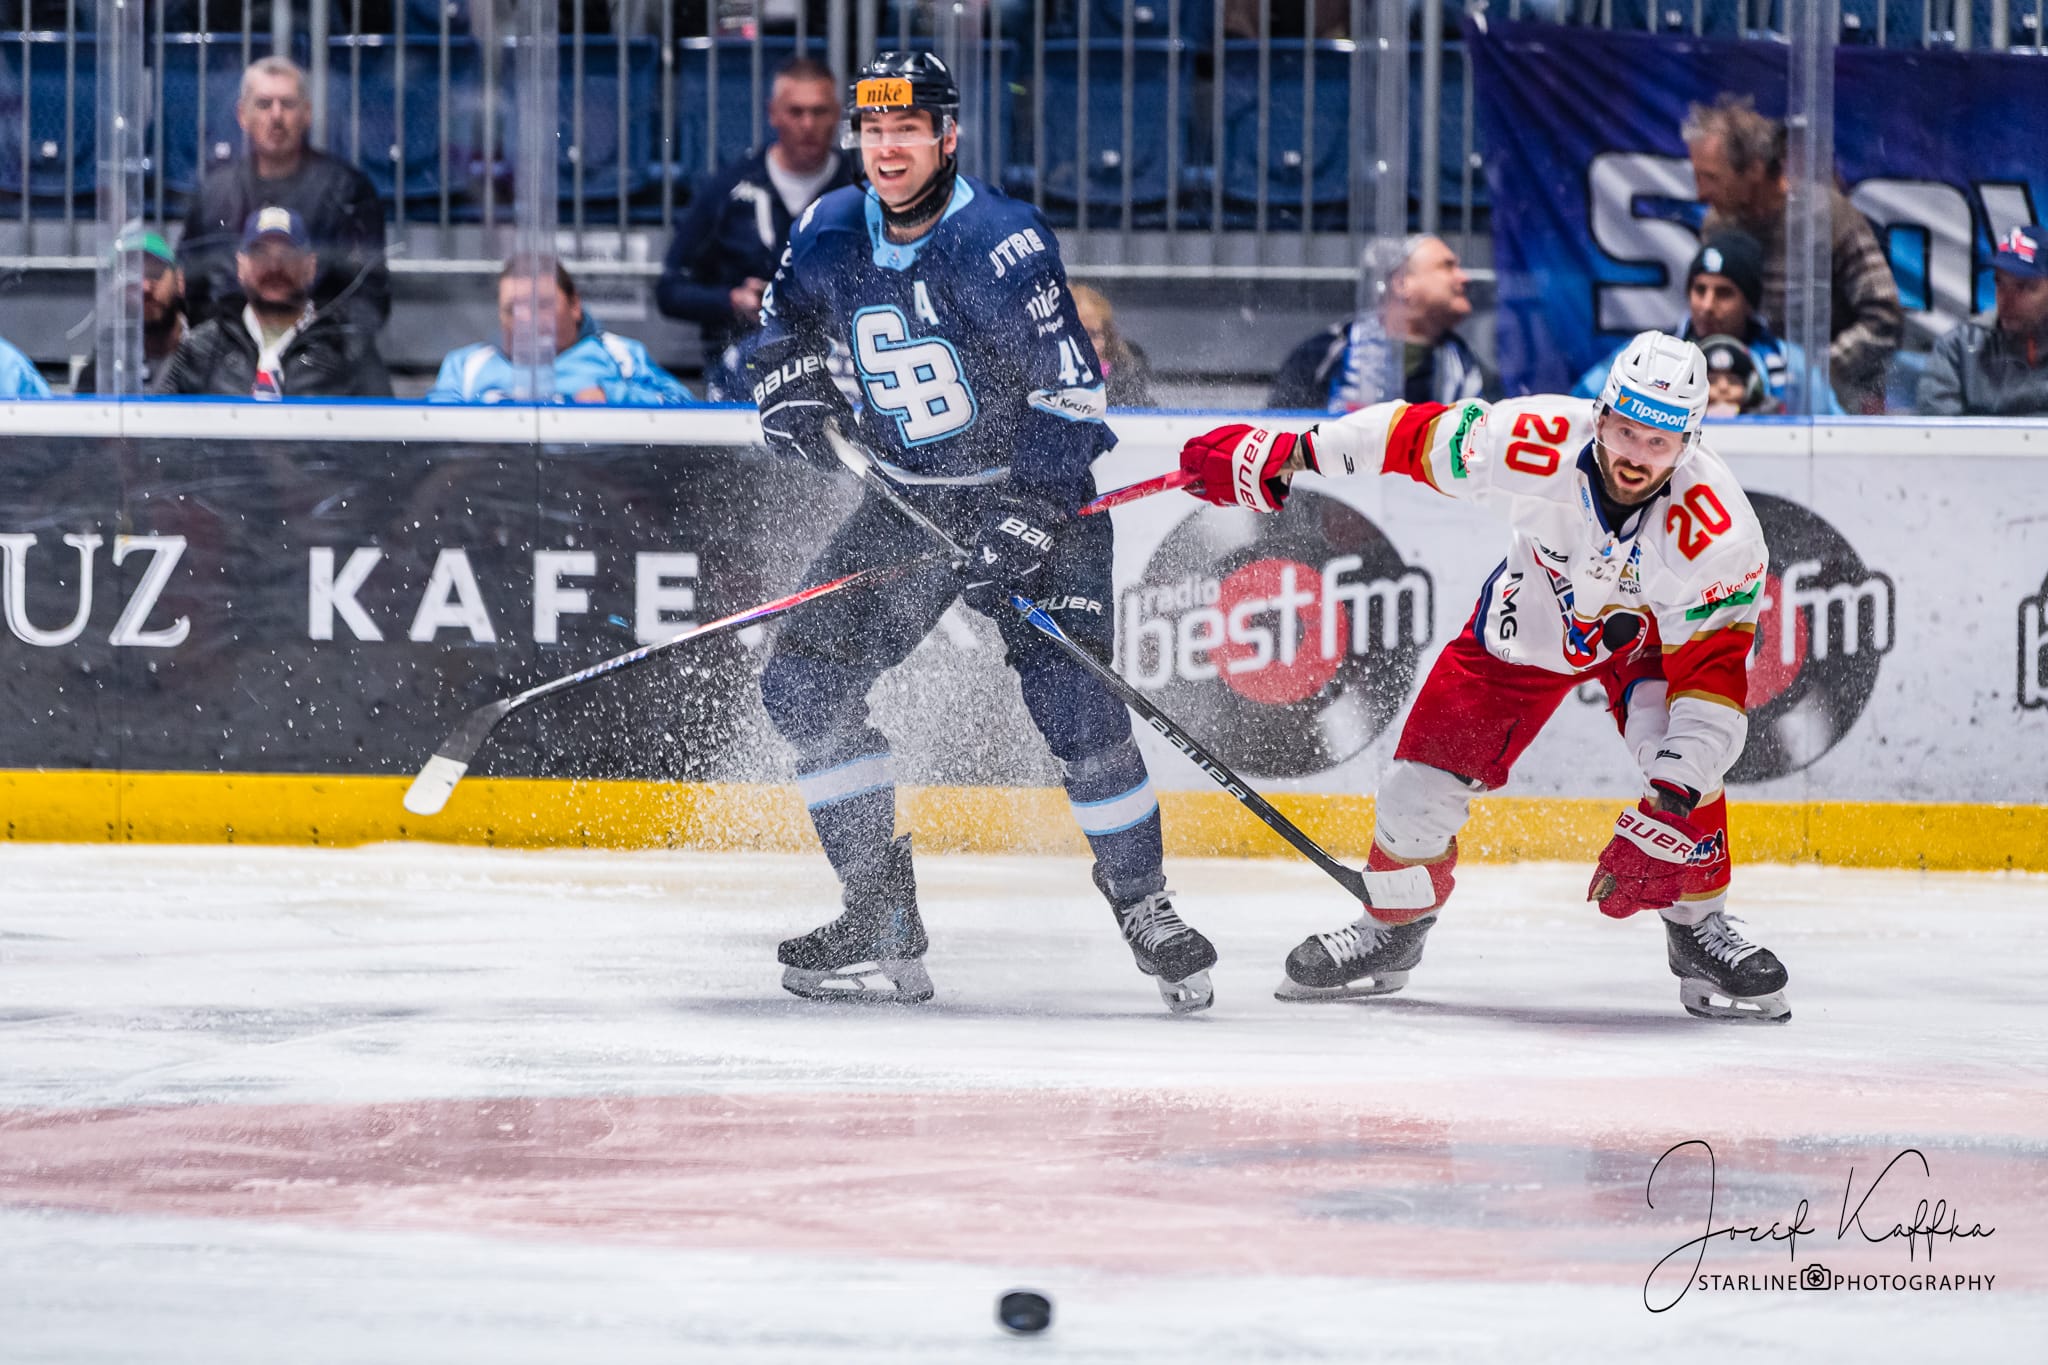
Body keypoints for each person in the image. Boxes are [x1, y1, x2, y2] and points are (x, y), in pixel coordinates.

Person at [745, 52, 1216, 1012]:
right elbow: (774, 328)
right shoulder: (828, 230)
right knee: (802, 685)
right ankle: (878, 910)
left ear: (947, 136)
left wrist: (1029, 514)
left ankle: (1145, 903)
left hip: (1039, 499)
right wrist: (784, 383)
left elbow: (1069, 392)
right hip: (909, 502)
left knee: (1079, 710)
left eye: (907, 130)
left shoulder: (1002, 241)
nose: (887, 148)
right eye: (873, 132)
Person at [1174, 330, 1791, 1024]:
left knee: (1679, 757)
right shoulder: (1531, 442)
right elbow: (1408, 435)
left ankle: (1699, 924)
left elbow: (1712, 690)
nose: (1636, 455)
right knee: (1414, 792)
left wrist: (1669, 809)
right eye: (1627, 430)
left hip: (1651, 643)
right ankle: (1394, 928)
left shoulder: (1720, 533)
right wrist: (1292, 452)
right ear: (1602, 415)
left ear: (1691, 442)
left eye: (1660, 442)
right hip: (1527, 627)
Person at [1683, 92, 1900, 413]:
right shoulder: (1718, 226)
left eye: (1711, 178)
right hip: (1737, 404)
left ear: (1754, 170)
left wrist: (1809, 375)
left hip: (1828, 409)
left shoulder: (1828, 217)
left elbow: (1884, 318)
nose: (1700, 193)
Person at [656, 57, 857, 397]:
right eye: (795, 112)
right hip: (742, 361)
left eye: (819, 111)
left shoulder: (860, 187)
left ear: (837, 113)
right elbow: (670, 290)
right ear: (772, 113)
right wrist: (732, 301)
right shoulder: (728, 189)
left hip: (845, 356)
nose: (808, 124)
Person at [177, 56, 390, 334]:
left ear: (307, 113)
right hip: (230, 362)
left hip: (319, 360)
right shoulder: (214, 193)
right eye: (264, 104)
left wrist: (314, 350)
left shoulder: (347, 191)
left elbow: (368, 298)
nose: (276, 116)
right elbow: (191, 288)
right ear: (243, 115)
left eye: (288, 104)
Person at [1570, 231, 1839, 415]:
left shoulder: (1789, 364)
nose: (1707, 306)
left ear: (1749, 302)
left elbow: (1837, 432)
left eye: (1724, 293)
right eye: (1700, 290)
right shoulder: (1648, 355)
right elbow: (1578, 408)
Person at [155, 208, 391, 399]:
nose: (275, 267)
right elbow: (160, 436)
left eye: (288, 255)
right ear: (241, 266)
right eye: (261, 254)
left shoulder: (348, 350)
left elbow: (386, 446)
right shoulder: (203, 347)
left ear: (311, 266)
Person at [1269, 233, 1496, 412]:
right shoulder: (1323, 355)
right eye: (1447, 266)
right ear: (1401, 284)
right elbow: (1280, 439)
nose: (1464, 278)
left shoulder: (1469, 366)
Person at [426, 258, 695, 405]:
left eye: (541, 305)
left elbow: (685, 408)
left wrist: (613, 396)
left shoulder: (619, 355)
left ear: (575, 305)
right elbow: (431, 432)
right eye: (513, 308)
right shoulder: (466, 366)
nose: (526, 320)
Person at [1918, 223, 2048, 417]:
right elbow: (1938, 437)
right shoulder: (1959, 347)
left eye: (2023, 287)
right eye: (1999, 282)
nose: (2006, 299)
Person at [75, 231, 188, 395]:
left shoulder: (211, 353)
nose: (145, 287)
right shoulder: (101, 370)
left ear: (179, 281)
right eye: (131, 278)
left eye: (155, 273)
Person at [1069, 283, 1156, 408]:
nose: (1086, 345)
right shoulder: (1045, 386)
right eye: (1077, 335)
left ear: (1107, 338)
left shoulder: (1128, 385)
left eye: (1094, 335)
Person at [1698, 334, 1770, 417]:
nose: (1723, 388)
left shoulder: (1772, 421)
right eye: (1711, 381)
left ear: (1751, 388)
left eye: (1733, 381)